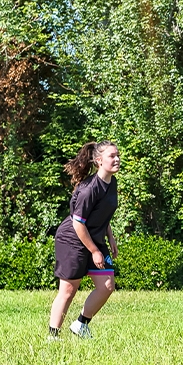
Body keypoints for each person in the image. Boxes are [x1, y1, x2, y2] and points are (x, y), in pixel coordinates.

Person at [48, 141, 121, 340]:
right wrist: (95, 251)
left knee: (107, 285)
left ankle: (81, 324)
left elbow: (102, 214)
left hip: (94, 238)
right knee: (69, 290)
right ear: (99, 161)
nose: (117, 159)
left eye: (117, 155)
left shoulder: (111, 182)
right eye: (111, 156)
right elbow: (78, 224)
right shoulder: (89, 189)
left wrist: (110, 237)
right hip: (72, 239)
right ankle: (53, 337)